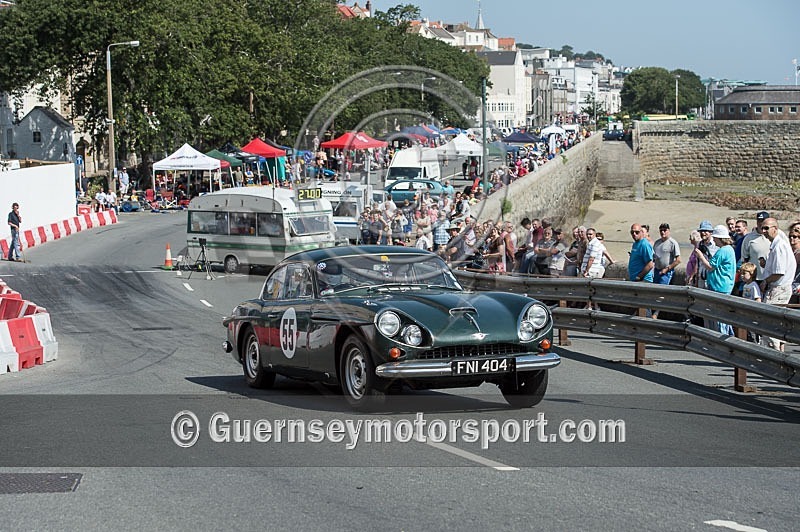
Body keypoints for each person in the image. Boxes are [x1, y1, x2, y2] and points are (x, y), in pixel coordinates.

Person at [693, 225, 737, 335]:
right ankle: (727, 336)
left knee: (719, 317)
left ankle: (722, 337)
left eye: (715, 238)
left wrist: (700, 256)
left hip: (719, 287)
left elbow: (710, 266)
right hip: (724, 286)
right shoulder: (730, 249)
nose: (714, 240)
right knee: (723, 317)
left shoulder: (723, 251)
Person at [759, 217, 794, 351]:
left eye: (767, 228)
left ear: (775, 228)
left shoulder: (779, 245)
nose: (764, 231)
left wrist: (765, 281)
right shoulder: (776, 244)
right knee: (773, 325)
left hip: (779, 289)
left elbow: (779, 272)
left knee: (771, 325)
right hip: (777, 288)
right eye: (762, 228)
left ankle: (774, 355)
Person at [652, 223, 682, 287]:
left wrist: (667, 269)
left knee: (663, 289)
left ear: (669, 231)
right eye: (661, 230)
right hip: (656, 271)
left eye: (665, 230)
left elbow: (678, 260)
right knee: (655, 289)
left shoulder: (673, 243)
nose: (663, 232)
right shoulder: (657, 243)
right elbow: (653, 257)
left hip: (666, 272)